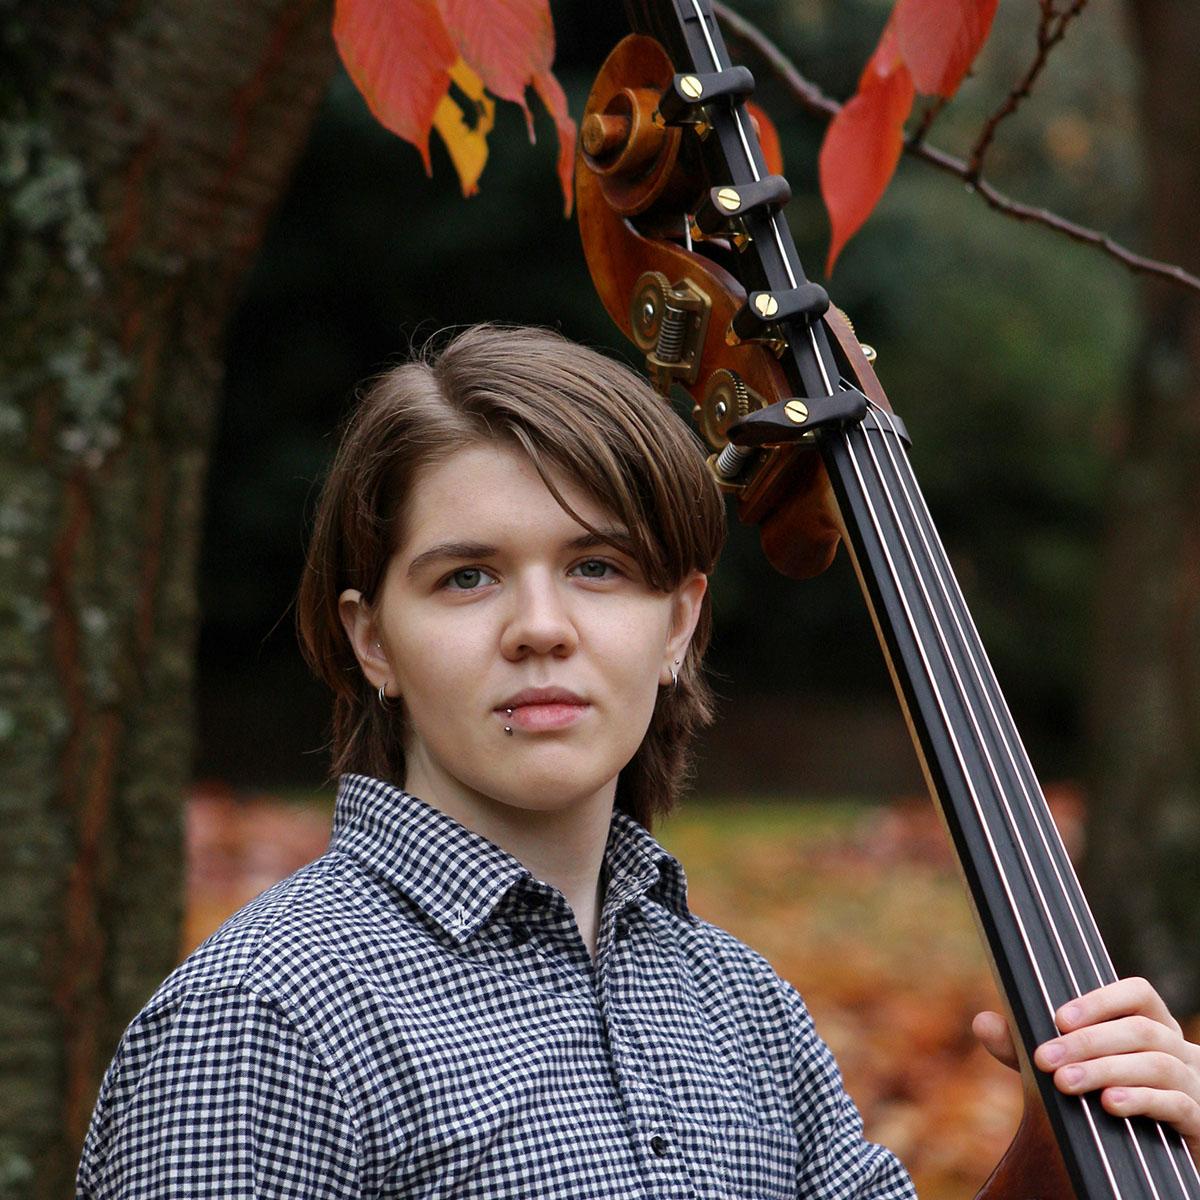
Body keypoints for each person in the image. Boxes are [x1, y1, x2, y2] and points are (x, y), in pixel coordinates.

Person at [78, 325, 1200, 1197]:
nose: (539, 628)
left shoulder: (741, 1008)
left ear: (678, 624)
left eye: (597, 568)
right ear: (374, 641)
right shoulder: (261, 1023)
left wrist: (1073, 1141)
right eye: (467, 577)